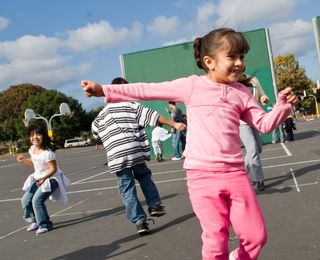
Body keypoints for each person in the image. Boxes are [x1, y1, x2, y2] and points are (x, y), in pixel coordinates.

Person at [81, 28, 299, 260]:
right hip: (201, 177)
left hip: (235, 175)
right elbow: (147, 89)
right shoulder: (192, 86)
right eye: (232, 57)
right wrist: (104, 90)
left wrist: (282, 108)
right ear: (209, 62)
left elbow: (264, 124)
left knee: (256, 237)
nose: (239, 63)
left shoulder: (242, 92)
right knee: (216, 242)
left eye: (242, 57)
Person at [91, 77, 186, 235]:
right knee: (143, 177)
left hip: (117, 156)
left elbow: (94, 130)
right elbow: (154, 117)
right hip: (135, 150)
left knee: (127, 189)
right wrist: (174, 124)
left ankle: (140, 222)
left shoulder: (103, 113)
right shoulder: (131, 105)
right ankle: (155, 204)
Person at [16, 124, 70, 235]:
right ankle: (35, 220)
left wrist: (44, 178)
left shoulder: (48, 153)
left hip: (52, 179)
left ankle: (45, 224)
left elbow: (53, 169)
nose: (35, 137)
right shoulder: (32, 149)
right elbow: (34, 162)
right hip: (39, 178)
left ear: (43, 136)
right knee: (25, 200)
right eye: (32, 135)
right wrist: (23, 161)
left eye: (38, 134)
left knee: (37, 201)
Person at [239, 74, 269, 191]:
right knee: (252, 150)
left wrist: (264, 98)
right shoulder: (231, 81)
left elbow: (262, 94)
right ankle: (259, 179)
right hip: (241, 122)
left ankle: (241, 173)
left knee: (258, 149)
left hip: (255, 118)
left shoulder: (253, 80)